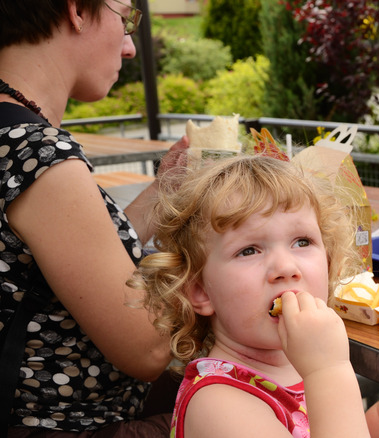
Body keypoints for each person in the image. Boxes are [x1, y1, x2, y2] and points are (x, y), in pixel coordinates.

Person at [130, 155, 379, 438]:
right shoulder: (219, 404)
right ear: (200, 291)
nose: (285, 267)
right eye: (248, 250)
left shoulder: (300, 363)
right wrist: (329, 372)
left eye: (302, 242)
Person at [0, 1, 189, 435]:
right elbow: (146, 351)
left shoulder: (13, 137)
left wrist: (167, 191)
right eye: (124, 17)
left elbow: (70, 264)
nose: (129, 48)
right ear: (77, 11)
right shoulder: (39, 153)